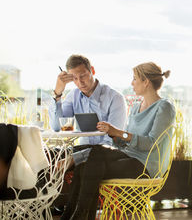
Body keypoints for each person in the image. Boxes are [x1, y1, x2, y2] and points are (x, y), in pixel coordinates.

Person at [60, 62, 176, 220]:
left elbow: (151, 144)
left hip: (146, 167)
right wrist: (113, 135)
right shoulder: (136, 107)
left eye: (134, 79)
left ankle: (76, 214)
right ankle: (74, 215)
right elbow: (124, 143)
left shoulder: (164, 107)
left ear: (146, 82)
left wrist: (120, 133)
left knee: (92, 159)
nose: (131, 83)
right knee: (85, 165)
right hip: (128, 158)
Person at [49, 54, 127, 146]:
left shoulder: (115, 98)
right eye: (74, 78)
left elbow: (110, 142)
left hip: (108, 154)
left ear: (92, 70)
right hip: (82, 151)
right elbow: (57, 127)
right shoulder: (73, 96)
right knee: (50, 155)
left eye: (83, 76)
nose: (80, 82)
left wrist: (79, 157)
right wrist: (57, 93)